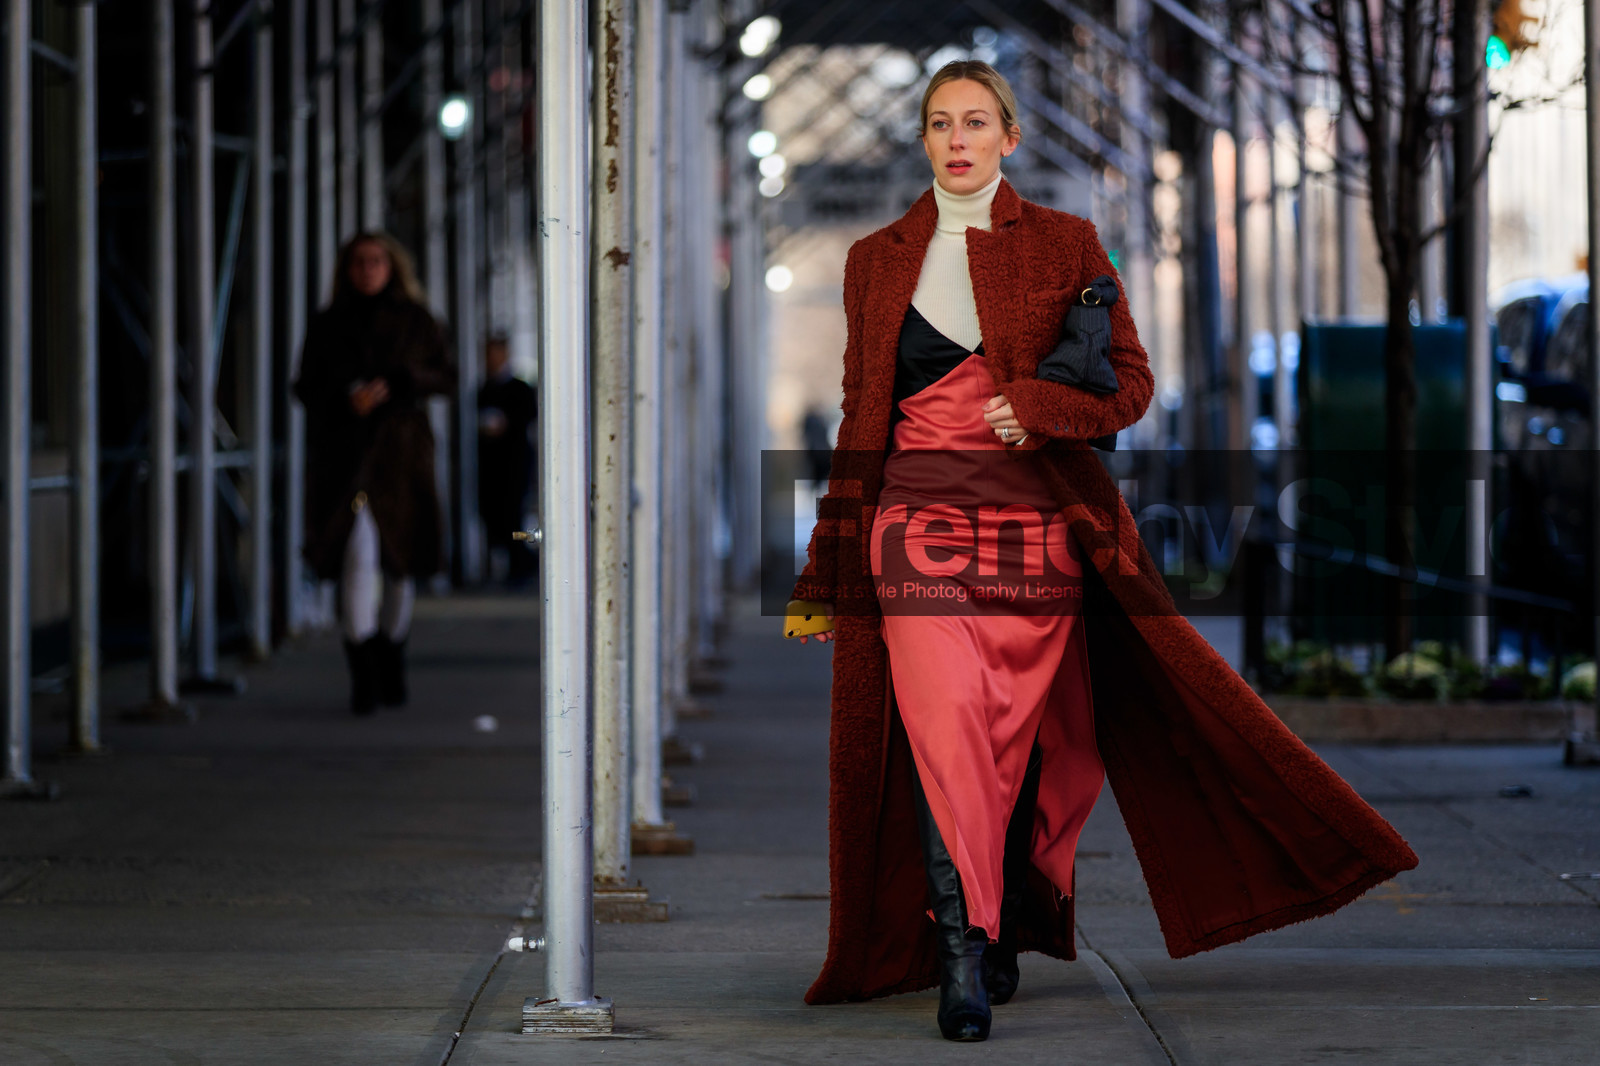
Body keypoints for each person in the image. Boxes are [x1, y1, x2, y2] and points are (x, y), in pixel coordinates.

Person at [789, 61, 1417, 1042]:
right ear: (922, 139)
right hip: (913, 526)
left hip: (1037, 527)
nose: (956, 140)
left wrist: (1035, 408)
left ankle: (999, 920)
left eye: (976, 122)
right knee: (945, 723)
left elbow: (1128, 386)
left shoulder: (1064, 243)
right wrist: (825, 563)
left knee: (1020, 742)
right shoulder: (875, 258)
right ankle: (960, 955)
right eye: (938, 124)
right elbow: (859, 417)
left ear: (1010, 136)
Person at [294, 232, 456, 715]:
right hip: (347, 461)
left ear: (392, 266)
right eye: (359, 262)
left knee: (399, 563)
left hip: (401, 459)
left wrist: (402, 383)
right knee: (357, 556)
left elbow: (446, 375)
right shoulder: (328, 325)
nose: (367, 270)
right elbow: (304, 386)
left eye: (376, 261)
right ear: (347, 269)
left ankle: (390, 650)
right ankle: (363, 671)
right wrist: (346, 398)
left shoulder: (418, 321)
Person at [477, 333, 538, 586]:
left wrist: (506, 424)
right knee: (496, 516)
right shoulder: (483, 389)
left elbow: (530, 417)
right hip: (492, 467)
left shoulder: (520, 388)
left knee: (516, 517)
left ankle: (525, 562)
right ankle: (515, 563)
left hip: (516, 464)